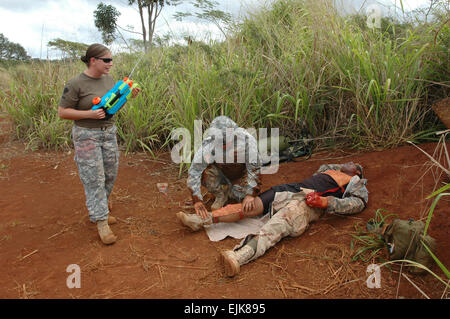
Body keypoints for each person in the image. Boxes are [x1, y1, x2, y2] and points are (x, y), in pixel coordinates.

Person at [177, 162, 368, 277]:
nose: (351, 162)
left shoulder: (356, 183)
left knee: (278, 224)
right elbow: (328, 166)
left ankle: (239, 257)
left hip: (309, 201)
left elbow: (358, 203)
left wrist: (326, 202)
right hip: (289, 189)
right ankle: (200, 220)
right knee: (248, 208)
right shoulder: (327, 170)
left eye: (355, 164)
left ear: (357, 173)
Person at [57, 43, 140, 245]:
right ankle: (102, 221)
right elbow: (63, 112)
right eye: (107, 60)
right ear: (93, 60)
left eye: (111, 60)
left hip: (108, 132)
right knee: (94, 177)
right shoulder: (76, 83)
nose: (111, 64)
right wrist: (89, 114)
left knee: (110, 174)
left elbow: (110, 106)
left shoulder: (109, 79)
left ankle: (100, 210)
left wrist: (128, 96)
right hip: (86, 134)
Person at [185, 116, 262, 219]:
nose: (224, 146)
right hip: (221, 173)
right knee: (204, 172)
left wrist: (250, 194)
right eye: (220, 143)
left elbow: (255, 168)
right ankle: (221, 194)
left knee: (242, 199)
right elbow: (194, 172)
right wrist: (197, 200)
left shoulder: (246, 140)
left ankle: (236, 192)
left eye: (227, 142)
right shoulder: (209, 145)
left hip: (240, 174)